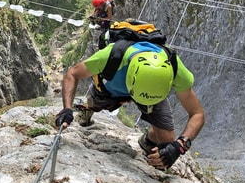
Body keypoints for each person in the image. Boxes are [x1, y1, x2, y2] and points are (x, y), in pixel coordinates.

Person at [55, 41, 205, 170]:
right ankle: (89, 109)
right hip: (112, 87)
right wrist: (67, 108)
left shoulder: (175, 68)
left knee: (166, 146)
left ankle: (147, 140)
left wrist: (180, 145)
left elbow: (197, 114)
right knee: (96, 102)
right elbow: (73, 74)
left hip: (150, 92)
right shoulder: (111, 56)